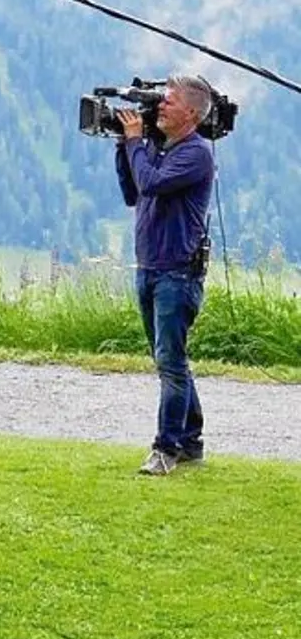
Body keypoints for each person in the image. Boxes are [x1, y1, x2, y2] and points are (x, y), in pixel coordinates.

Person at [115, 74, 218, 476]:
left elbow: (152, 183)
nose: (160, 106)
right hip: (151, 268)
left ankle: (166, 448)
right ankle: (191, 440)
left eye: (169, 102)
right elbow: (133, 192)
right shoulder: (162, 149)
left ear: (191, 113)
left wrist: (135, 142)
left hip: (177, 274)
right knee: (169, 360)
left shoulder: (196, 154)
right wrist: (124, 146)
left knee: (170, 363)